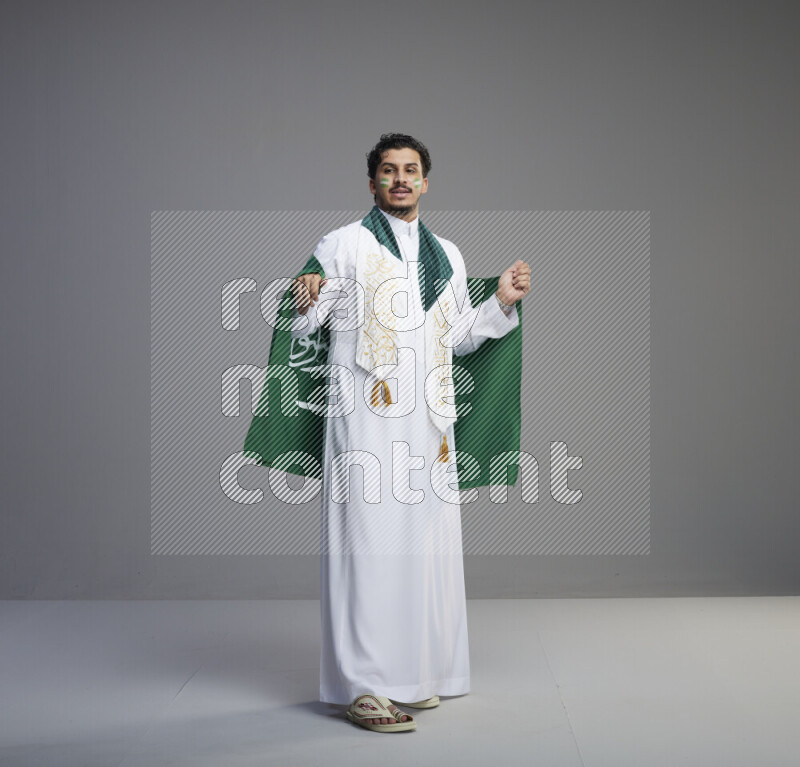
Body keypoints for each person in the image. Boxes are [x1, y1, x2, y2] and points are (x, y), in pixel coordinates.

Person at [288, 133, 530, 732]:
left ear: (426, 182)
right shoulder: (342, 243)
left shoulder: (446, 253)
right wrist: (307, 291)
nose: (401, 180)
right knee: (367, 545)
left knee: (425, 547)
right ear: (371, 182)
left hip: (428, 419)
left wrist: (500, 300)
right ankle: (366, 687)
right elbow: (305, 319)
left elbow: (455, 336)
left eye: (411, 170)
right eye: (389, 171)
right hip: (366, 414)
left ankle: (418, 675)